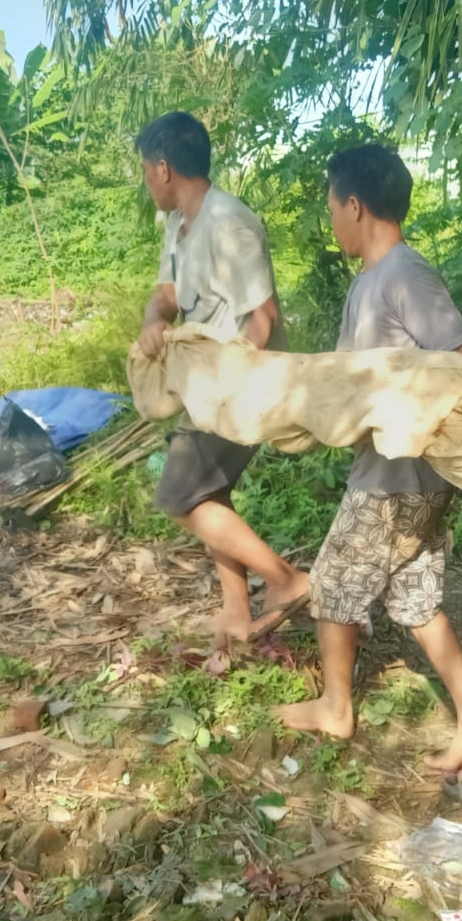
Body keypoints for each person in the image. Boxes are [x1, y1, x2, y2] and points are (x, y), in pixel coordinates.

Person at [274, 145, 462, 771]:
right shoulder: (366, 285)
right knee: (413, 599)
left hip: (400, 476)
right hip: (391, 471)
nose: (332, 220)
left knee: (334, 582)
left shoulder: (406, 274)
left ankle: (336, 708)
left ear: (355, 205)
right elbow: (351, 387)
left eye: (332, 208)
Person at [135, 112, 310, 641]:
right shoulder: (179, 225)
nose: (147, 182)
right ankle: (237, 612)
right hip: (205, 383)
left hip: (239, 386)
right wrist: (152, 322)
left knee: (177, 492)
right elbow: (167, 295)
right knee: (211, 491)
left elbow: (264, 316)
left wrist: (235, 389)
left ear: (164, 168)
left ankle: (286, 581)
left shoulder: (228, 221)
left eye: (146, 171)